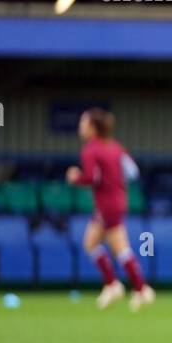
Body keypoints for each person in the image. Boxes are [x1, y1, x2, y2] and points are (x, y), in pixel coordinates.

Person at [65, 109, 153, 311]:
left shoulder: (91, 150)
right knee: (113, 246)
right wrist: (115, 181)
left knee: (99, 245)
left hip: (106, 204)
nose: (80, 127)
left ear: (93, 128)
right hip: (119, 201)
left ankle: (120, 286)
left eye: (83, 123)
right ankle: (135, 288)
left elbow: (92, 177)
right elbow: (132, 171)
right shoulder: (116, 148)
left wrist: (75, 177)